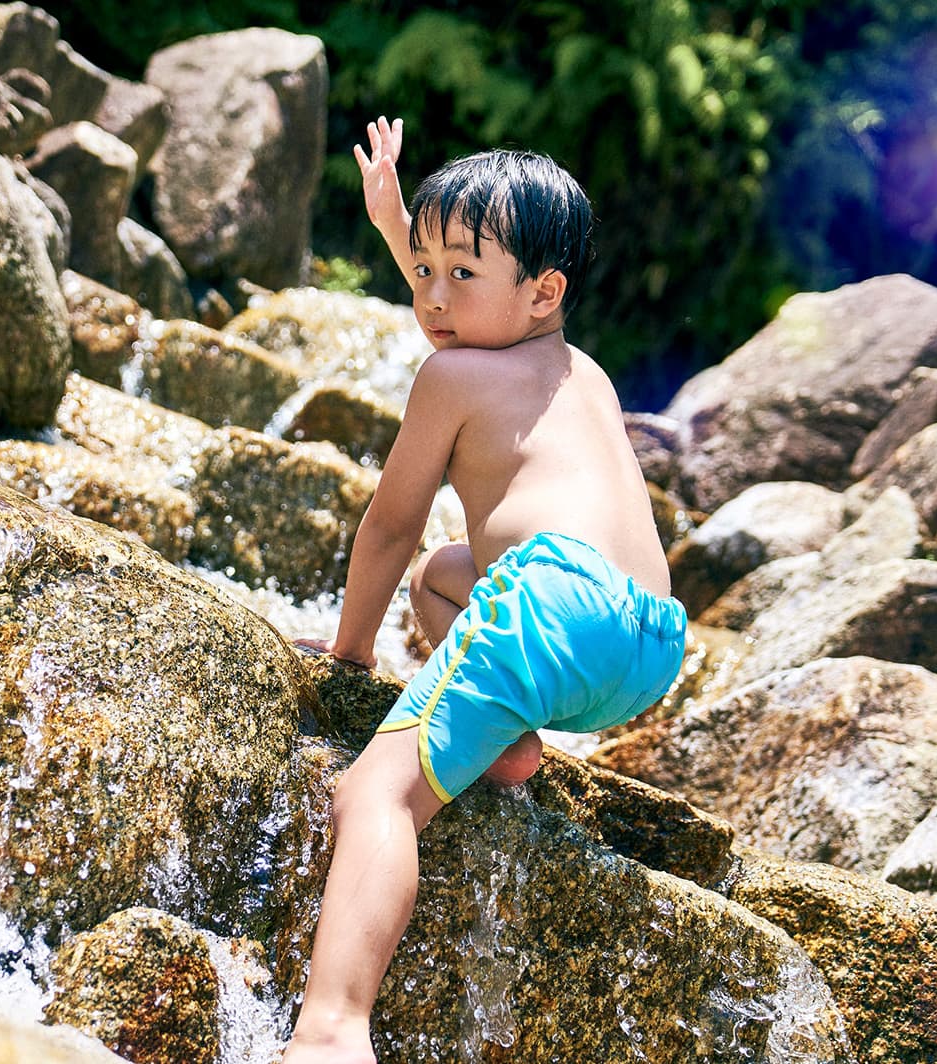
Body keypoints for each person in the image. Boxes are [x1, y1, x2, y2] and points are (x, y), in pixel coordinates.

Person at [283, 118, 688, 1064]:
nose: (431, 296)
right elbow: (474, 300)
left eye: (455, 273)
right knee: (446, 577)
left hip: (550, 606)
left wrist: (350, 652)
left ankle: (332, 1032)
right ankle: (507, 742)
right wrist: (402, 228)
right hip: (648, 643)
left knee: (372, 799)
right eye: (419, 269)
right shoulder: (577, 371)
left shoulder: (451, 373)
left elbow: (387, 523)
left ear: (543, 291)